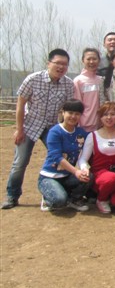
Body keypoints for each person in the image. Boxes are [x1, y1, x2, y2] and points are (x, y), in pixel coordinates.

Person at [3, 48, 74, 209]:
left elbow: (67, 109)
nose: (61, 67)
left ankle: (54, 192)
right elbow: (20, 105)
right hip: (30, 125)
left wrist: (63, 131)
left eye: (64, 64)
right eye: (58, 63)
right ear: (49, 63)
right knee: (20, 162)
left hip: (52, 127)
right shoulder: (33, 79)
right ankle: (12, 195)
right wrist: (19, 129)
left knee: (59, 159)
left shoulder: (68, 84)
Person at [37, 99, 90, 212]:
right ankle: (48, 197)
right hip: (49, 176)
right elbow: (57, 157)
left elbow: (95, 137)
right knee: (59, 200)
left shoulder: (80, 132)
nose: (73, 116)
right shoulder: (55, 132)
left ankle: (73, 199)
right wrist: (76, 171)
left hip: (67, 176)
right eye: (70, 113)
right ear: (63, 113)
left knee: (89, 176)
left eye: (77, 114)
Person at [78, 102, 115, 213]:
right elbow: (83, 158)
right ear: (100, 117)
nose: (109, 117)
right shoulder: (93, 135)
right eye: (105, 115)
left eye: (112, 114)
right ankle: (101, 199)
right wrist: (84, 169)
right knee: (111, 178)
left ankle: (109, 195)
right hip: (100, 174)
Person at [73, 48, 103, 132]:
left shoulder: (101, 80)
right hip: (84, 126)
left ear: (99, 60)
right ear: (83, 60)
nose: (91, 62)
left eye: (94, 59)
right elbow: (77, 105)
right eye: (88, 59)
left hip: (101, 125)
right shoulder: (78, 81)